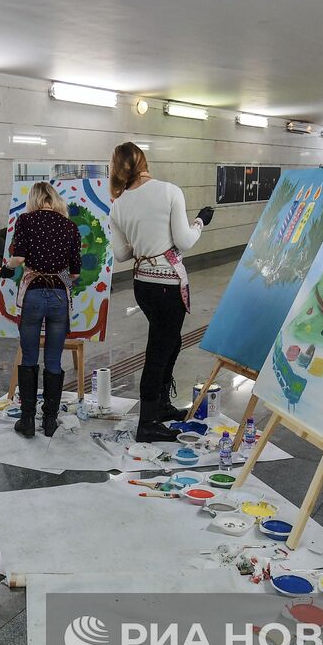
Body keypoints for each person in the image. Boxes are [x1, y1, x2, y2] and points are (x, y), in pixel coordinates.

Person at [108, 141, 209, 442]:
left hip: (143, 284)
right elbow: (185, 240)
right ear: (143, 161)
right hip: (168, 285)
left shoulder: (118, 204)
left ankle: (162, 406)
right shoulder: (169, 191)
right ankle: (148, 422)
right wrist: (201, 222)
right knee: (159, 351)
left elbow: (122, 255)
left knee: (171, 343)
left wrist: (142, 240)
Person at [6, 181, 81, 439]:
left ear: (35, 199)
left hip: (34, 295)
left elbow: (19, 257)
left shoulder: (26, 221)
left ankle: (27, 420)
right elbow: (75, 272)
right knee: (53, 359)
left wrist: (8, 265)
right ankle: (50, 421)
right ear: (54, 199)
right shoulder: (70, 226)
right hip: (59, 295)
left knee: (28, 356)